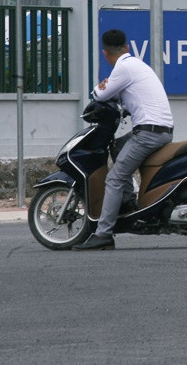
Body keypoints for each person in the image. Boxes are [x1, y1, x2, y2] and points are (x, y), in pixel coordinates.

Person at [74, 29, 174, 251]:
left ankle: (103, 234)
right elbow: (127, 97)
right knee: (118, 147)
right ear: (126, 47)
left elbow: (99, 95)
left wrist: (99, 87)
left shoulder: (123, 67)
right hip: (160, 129)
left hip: (149, 133)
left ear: (105, 53)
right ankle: (128, 202)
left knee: (114, 179)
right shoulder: (136, 64)